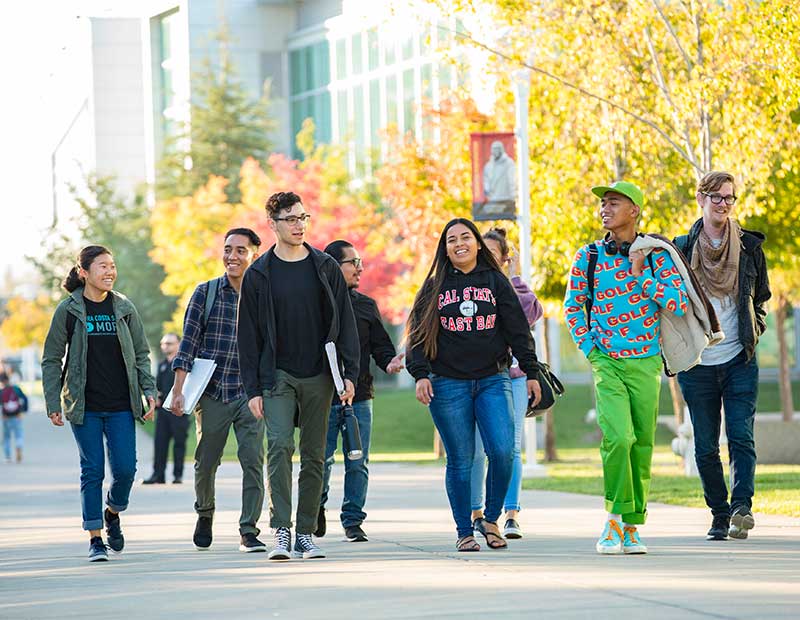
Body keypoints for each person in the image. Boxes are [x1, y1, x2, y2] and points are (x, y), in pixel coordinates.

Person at [564, 181, 689, 555]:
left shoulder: (657, 255)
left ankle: (633, 527)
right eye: (603, 203)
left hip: (646, 361)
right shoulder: (586, 257)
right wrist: (590, 349)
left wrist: (641, 276)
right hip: (607, 361)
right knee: (617, 438)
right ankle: (614, 519)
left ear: (634, 210)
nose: (605, 208)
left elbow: (678, 302)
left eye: (614, 202)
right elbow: (573, 307)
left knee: (642, 444)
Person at [406, 217, 542, 553]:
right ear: (445, 248)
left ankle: (492, 519)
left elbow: (517, 330)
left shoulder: (495, 280)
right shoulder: (435, 285)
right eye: (451, 240)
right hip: (448, 384)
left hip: (492, 380)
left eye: (465, 236)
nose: (459, 243)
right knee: (461, 458)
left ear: (478, 244)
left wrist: (532, 371)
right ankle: (464, 530)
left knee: (502, 451)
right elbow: (418, 335)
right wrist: (420, 373)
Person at [238, 191, 359, 561]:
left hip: (320, 374)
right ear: (272, 224)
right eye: (290, 219)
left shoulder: (323, 267)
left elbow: (347, 323)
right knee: (278, 447)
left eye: (303, 217)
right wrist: (252, 388)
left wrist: (350, 373)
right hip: (277, 375)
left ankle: (306, 532)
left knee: (314, 454)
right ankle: (281, 531)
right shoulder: (259, 273)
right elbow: (248, 334)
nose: (298, 225)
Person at [41, 245, 157, 562]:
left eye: (112, 266)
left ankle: (113, 511)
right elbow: (51, 359)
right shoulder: (68, 310)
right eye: (102, 266)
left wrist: (150, 390)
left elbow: (142, 354)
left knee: (125, 470)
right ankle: (95, 538)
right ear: (84, 273)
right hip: (85, 406)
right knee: (91, 470)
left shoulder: (124, 308)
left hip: (121, 404)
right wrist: (53, 400)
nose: (109, 272)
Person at [674, 171, 771, 541]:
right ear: (701, 199)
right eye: (716, 197)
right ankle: (718, 512)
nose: (723, 204)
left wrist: (755, 330)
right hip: (697, 363)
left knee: (742, 436)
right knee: (704, 446)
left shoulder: (749, 248)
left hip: (739, 359)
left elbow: (760, 297)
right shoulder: (681, 248)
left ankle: (741, 507)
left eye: (729, 198)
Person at [170, 228, 266, 553]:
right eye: (228, 249)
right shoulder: (206, 292)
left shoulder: (265, 296)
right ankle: (205, 513)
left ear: (255, 253)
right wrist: (179, 389)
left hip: (251, 394)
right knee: (206, 461)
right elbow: (188, 343)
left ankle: (249, 529)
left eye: (240, 250)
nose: (232, 256)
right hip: (213, 392)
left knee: (253, 459)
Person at [316, 240, 405, 543]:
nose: (360, 268)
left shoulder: (366, 305)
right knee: (321, 459)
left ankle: (353, 520)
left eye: (360, 262)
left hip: (360, 397)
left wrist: (391, 362)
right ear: (332, 266)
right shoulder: (315, 304)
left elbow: (381, 347)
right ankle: (316, 506)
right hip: (322, 397)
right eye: (352, 262)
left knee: (358, 460)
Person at [469, 228, 543, 540]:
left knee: (509, 447)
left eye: (491, 252)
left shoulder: (513, 289)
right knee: (474, 450)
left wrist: (512, 278)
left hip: (512, 378)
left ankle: (510, 513)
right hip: (472, 377)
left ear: (504, 258)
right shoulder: (466, 285)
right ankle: (476, 513)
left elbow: (529, 311)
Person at [143, 332, 190, 484]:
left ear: (178, 345)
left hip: (179, 412)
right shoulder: (162, 364)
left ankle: (177, 475)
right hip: (163, 411)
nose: (165, 346)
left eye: (169, 343)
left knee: (179, 443)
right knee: (160, 443)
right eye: (163, 343)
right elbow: (159, 388)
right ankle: (158, 475)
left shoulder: (182, 365)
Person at [482, 140, 516, 215]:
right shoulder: (489, 165)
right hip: (493, 198)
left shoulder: (509, 163)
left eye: (497, 148)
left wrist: (513, 195)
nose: (495, 151)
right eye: (493, 149)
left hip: (505, 197)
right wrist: (487, 190)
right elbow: (486, 180)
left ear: (501, 149)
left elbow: (512, 180)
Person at [1, 372, 28, 463]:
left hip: (6, 417)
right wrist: (23, 411)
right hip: (17, 415)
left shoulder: (2, 391)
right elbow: (25, 399)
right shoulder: (16, 389)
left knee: (7, 437)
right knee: (19, 435)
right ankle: (18, 446)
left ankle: (8, 456)